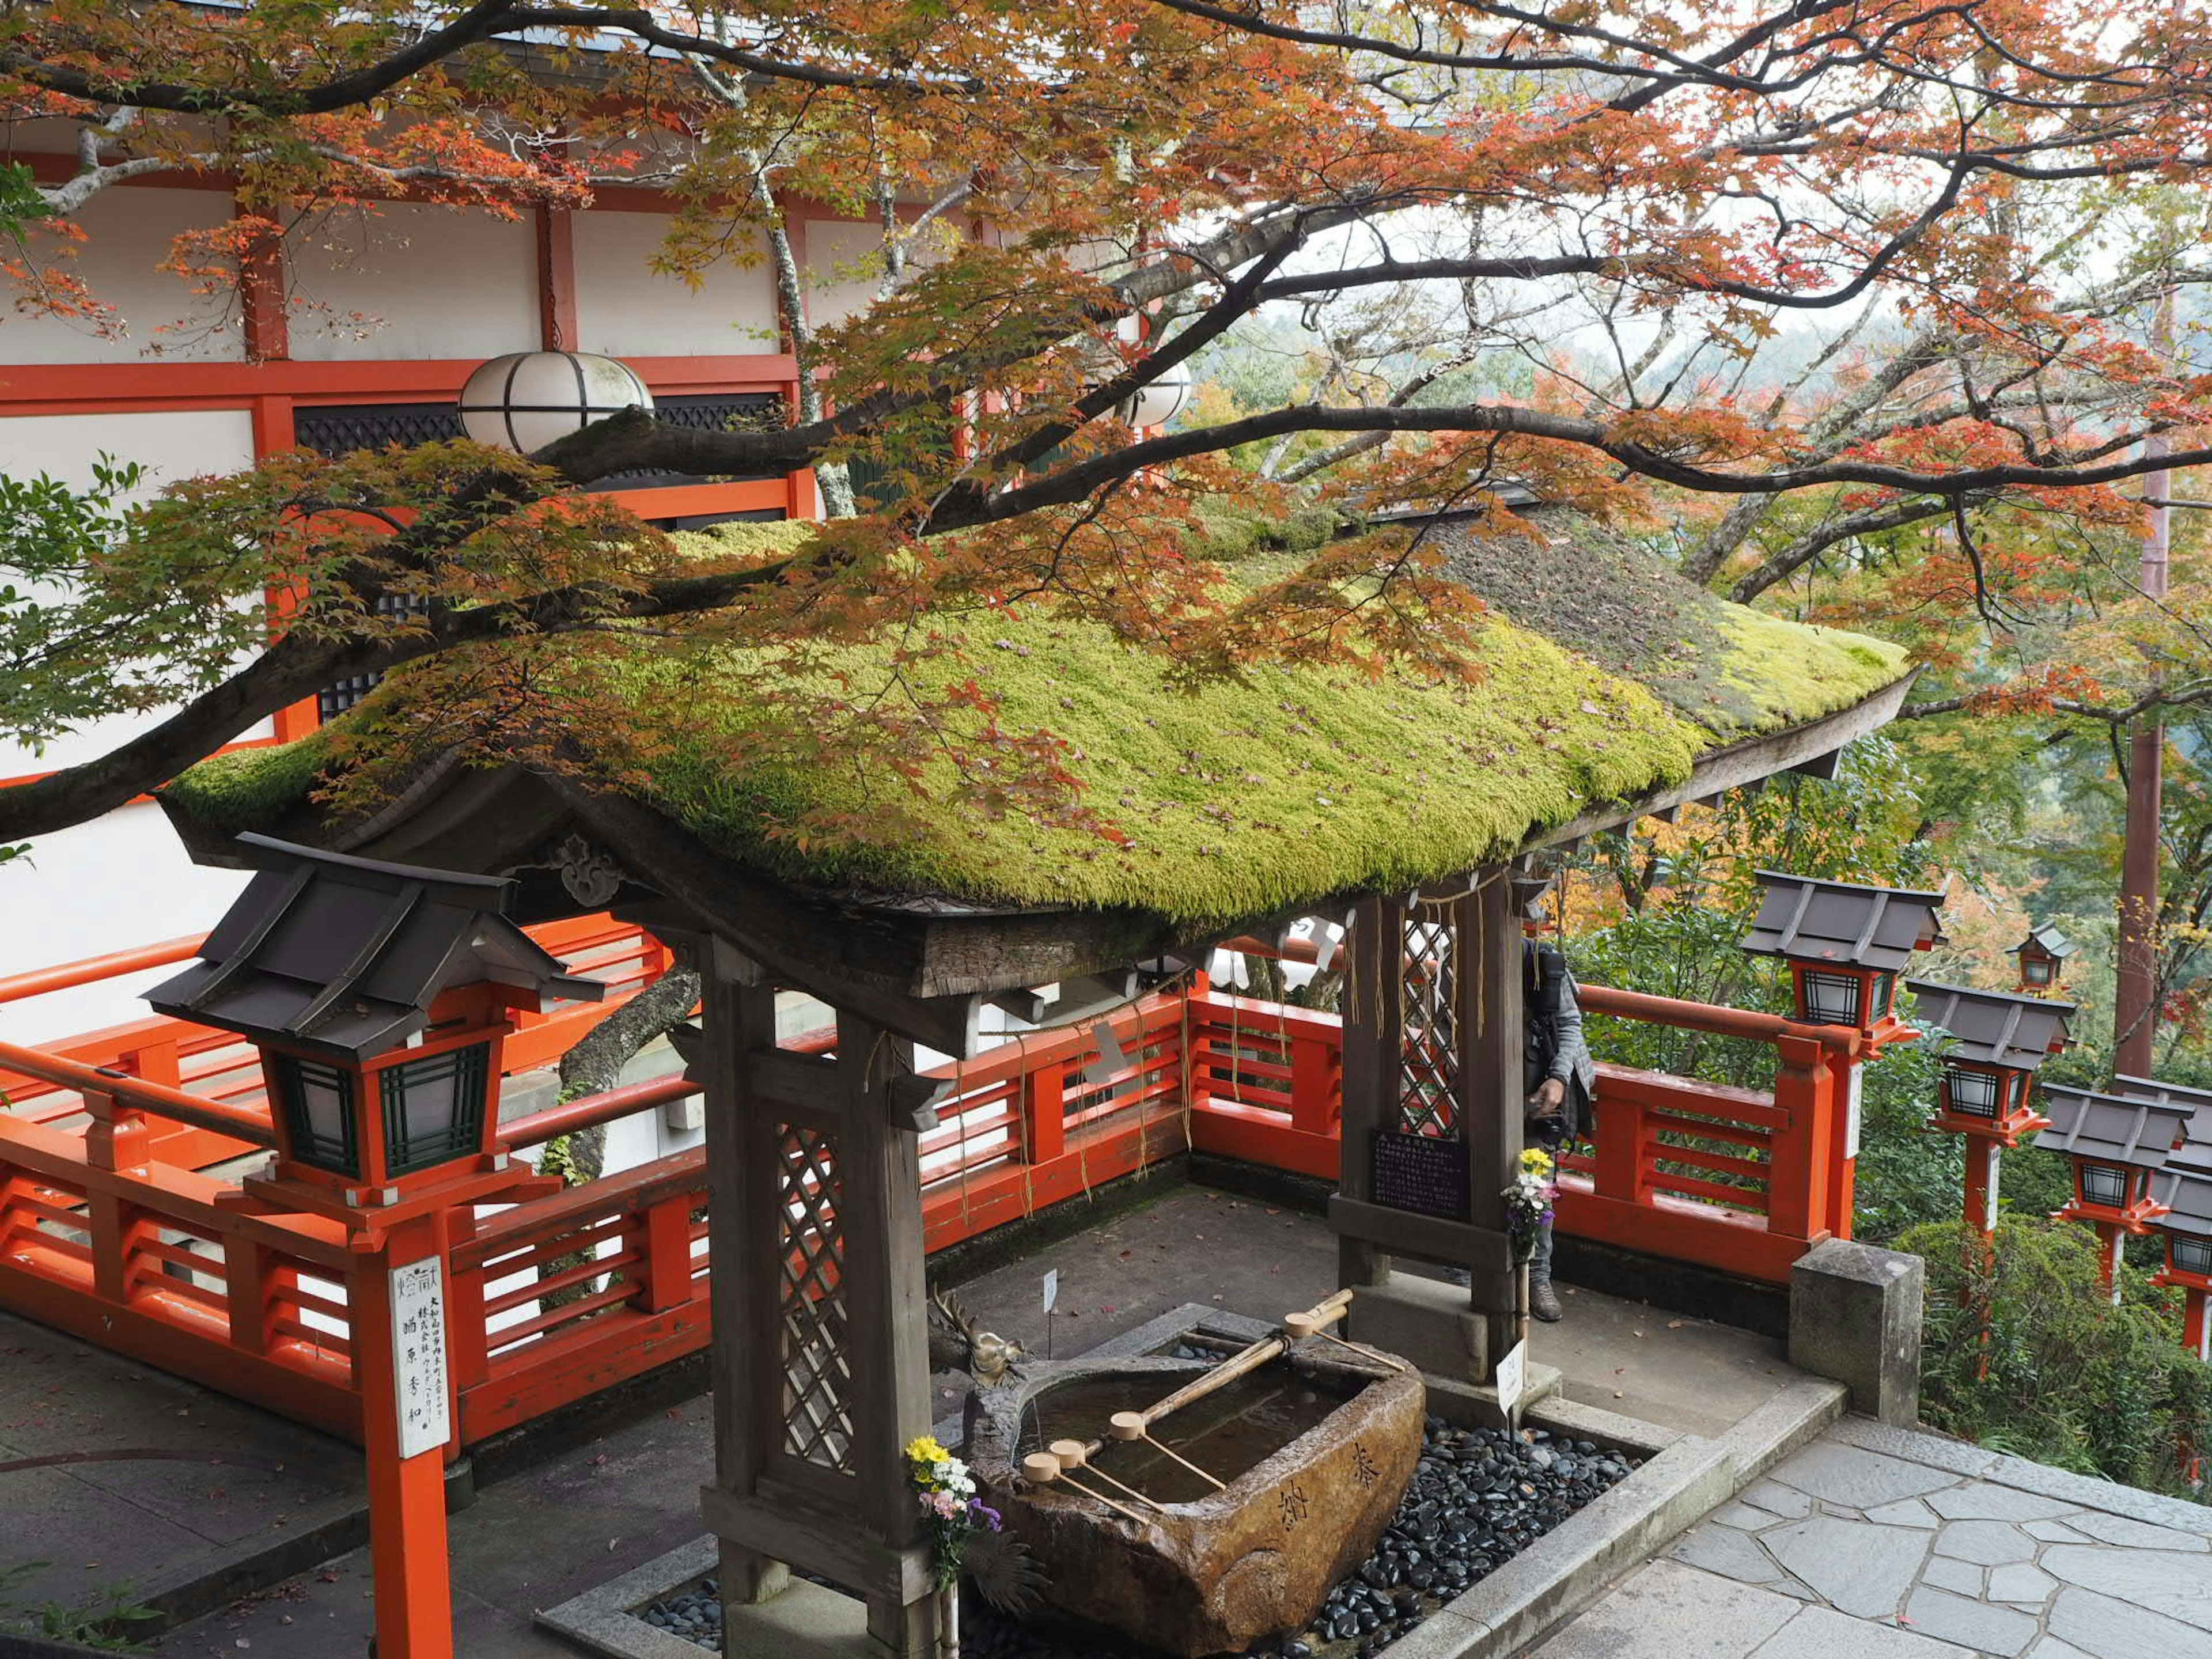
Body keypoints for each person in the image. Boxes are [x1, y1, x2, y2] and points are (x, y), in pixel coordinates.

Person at [1522, 928, 1594, 1322]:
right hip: (1483, 1092)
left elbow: (1569, 1024)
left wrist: (1559, 1078)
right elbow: (1444, 1029)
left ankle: (1538, 1277)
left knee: (1536, 1187)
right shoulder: (1455, 964)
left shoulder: (1541, 961)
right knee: (1471, 1177)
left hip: (1540, 1086)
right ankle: (1465, 1272)